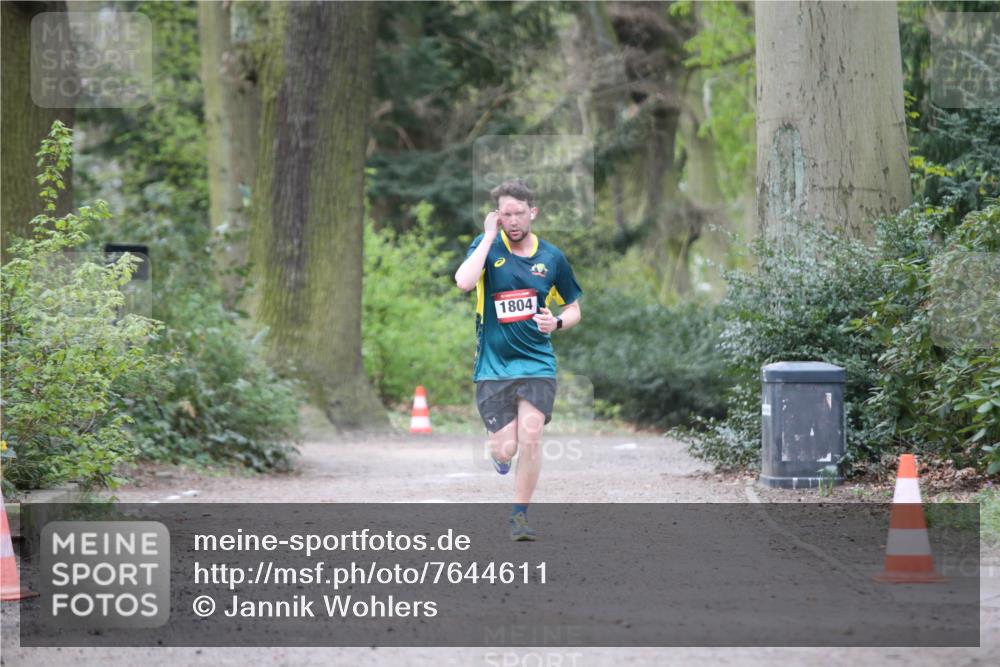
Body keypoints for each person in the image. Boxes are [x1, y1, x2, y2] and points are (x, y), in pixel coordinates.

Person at [454, 179, 583, 540]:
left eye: (518, 214)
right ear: (497, 216)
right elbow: (463, 282)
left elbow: (573, 309)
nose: (512, 221)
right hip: (493, 366)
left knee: (531, 435)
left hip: (537, 363)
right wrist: (487, 238)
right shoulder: (487, 247)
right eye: (505, 214)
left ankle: (520, 515)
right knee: (506, 446)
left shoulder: (552, 258)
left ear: (533, 213)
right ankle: (499, 454)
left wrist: (556, 322)